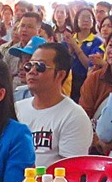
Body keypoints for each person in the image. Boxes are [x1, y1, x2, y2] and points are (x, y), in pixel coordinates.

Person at [17, 39, 93, 168]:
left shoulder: (74, 116)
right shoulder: (17, 108)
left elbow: (71, 173)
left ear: (60, 75)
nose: (32, 71)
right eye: (29, 65)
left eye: (40, 67)